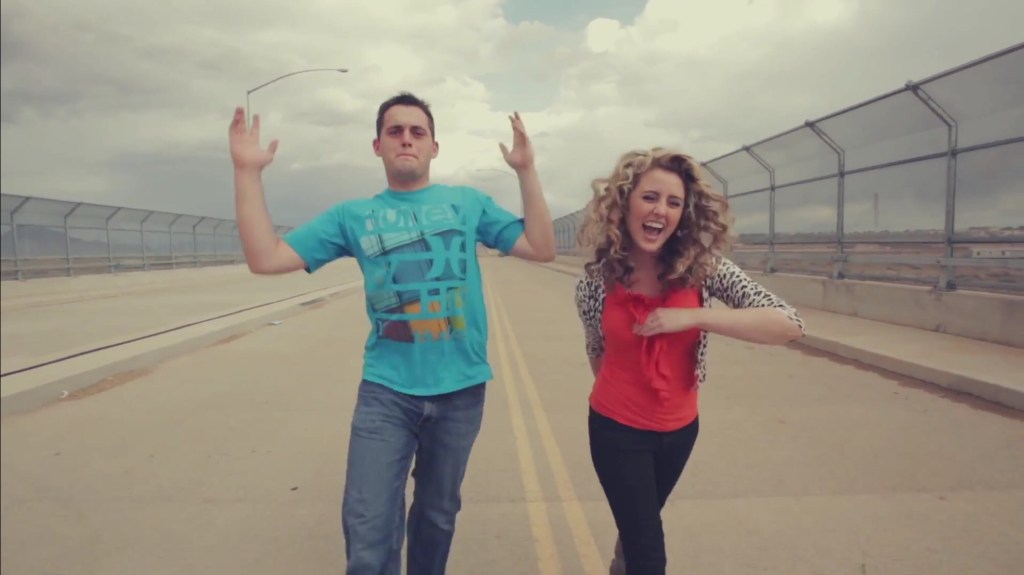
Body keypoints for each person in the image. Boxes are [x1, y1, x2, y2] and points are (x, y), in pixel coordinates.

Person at [228, 91, 556, 574]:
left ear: (434, 147)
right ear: (377, 145)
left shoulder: (467, 203)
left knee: (437, 516)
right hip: (386, 392)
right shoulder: (352, 216)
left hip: (461, 390)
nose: (406, 139)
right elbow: (266, 258)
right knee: (368, 525)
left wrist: (526, 171)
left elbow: (542, 247)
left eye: (417, 131)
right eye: (395, 131)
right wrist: (247, 172)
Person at [573, 147, 805, 575]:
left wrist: (694, 317)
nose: (660, 210)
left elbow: (788, 324)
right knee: (649, 552)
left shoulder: (705, 270)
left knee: (639, 529)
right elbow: (596, 349)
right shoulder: (595, 282)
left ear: (684, 214)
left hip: (679, 432)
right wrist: (623, 402)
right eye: (649, 197)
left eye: (673, 202)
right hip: (616, 431)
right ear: (624, 203)